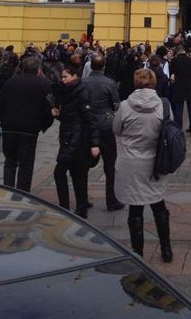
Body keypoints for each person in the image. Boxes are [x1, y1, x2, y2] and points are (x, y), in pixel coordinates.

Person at [113, 68, 173, 262]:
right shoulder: (163, 105)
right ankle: (166, 249)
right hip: (156, 162)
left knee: (135, 208)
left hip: (131, 162)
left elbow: (116, 129)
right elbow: (169, 128)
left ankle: (138, 253)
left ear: (135, 82)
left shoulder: (124, 106)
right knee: (158, 205)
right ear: (154, 82)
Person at [0, 56, 54, 192]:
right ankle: (22, 194)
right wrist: (43, 125)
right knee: (26, 164)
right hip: (30, 129)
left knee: (10, 162)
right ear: (38, 69)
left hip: (9, 127)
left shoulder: (11, 82)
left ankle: (8, 191)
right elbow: (49, 108)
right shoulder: (43, 84)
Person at [51, 65, 98, 219]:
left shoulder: (81, 92)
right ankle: (81, 205)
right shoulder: (68, 92)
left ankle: (67, 206)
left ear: (75, 76)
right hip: (70, 137)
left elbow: (91, 119)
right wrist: (58, 114)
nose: (62, 80)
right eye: (62, 77)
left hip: (76, 140)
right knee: (78, 173)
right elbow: (70, 116)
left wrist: (94, 143)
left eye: (65, 77)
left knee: (61, 172)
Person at [82, 54, 125, 212]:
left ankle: (83, 198)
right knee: (110, 165)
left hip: (87, 126)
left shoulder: (83, 82)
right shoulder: (109, 82)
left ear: (91, 66)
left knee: (84, 165)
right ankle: (111, 199)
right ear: (104, 67)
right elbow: (116, 104)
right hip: (106, 126)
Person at [170, 45, 191, 136]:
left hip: (179, 87)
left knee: (179, 109)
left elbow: (172, 75)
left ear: (177, 52)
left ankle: (178, 130)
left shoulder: (174, 61)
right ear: (184, 52)